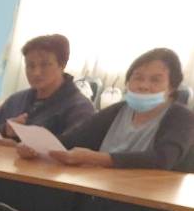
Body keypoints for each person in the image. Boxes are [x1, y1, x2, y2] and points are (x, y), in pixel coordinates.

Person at [19, 47, 194, 170]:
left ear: (172, 87)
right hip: (103, 189)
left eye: (155, 80)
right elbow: (72, 139)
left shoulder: (181, 117)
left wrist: (97, 158)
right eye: (138, 78)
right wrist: (35, 147)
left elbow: (163, 159)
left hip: (151, 200)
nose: (144, 85)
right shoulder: (118, 110)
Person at [0, 34, 95, 142]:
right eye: (30, 66)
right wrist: (5, 130)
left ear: (62, 65)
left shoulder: (80, 108)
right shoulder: (16, 100)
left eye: (45, 65)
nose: (36, 73)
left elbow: (75, 148)